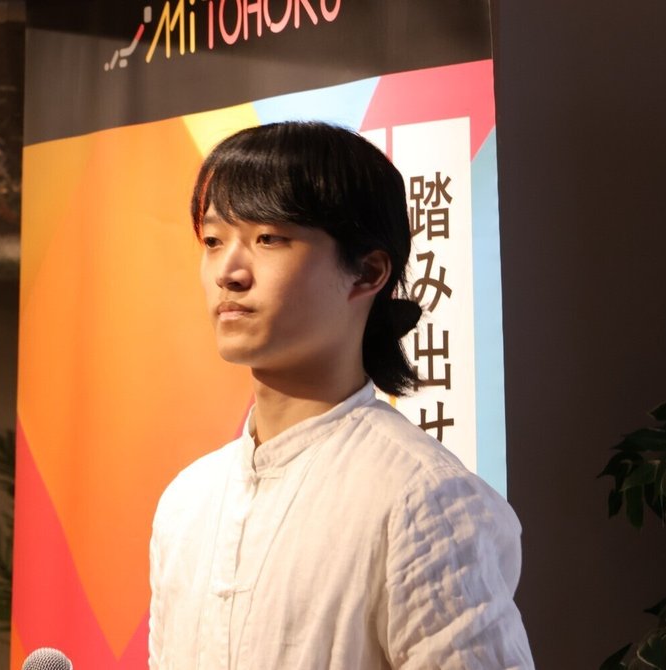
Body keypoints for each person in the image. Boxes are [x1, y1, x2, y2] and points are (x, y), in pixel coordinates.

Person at [148, 121, 533, 669]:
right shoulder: (187, 503)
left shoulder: (423, 500)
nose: (228, 272)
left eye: (268, 238)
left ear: (367, 272)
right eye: (213, 241)